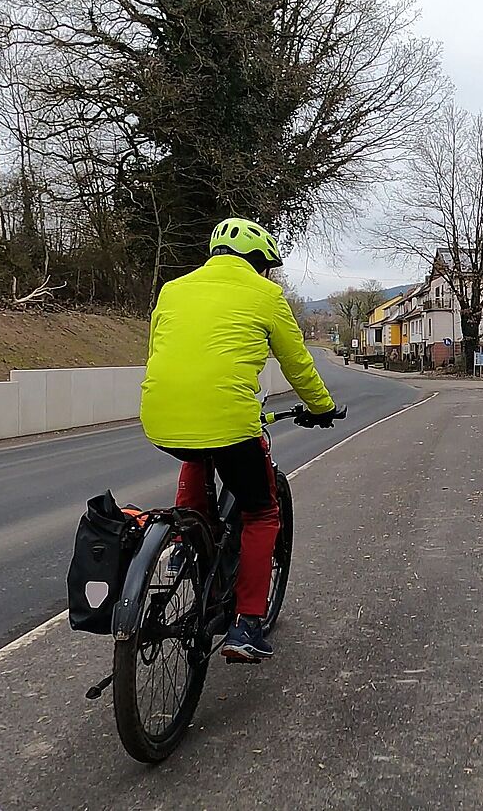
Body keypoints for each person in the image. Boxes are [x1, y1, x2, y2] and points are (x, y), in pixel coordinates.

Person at [139, 217, 338, 661]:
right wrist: (322, 407)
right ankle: (247, 624)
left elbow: (158, 352)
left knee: (198, 450)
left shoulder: (172, 290)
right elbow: (298, 363)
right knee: (262, 511)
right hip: (231, 424)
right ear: (258, 262)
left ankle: (186, 543)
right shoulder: (266, 296)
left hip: (160, 418)